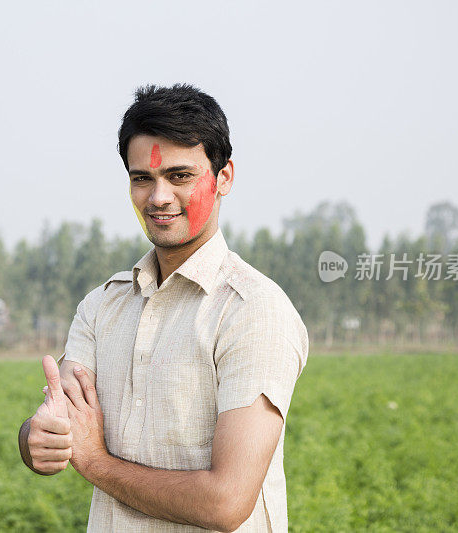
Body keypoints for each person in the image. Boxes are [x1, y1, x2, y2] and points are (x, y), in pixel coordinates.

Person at [18, 83, 309, 532]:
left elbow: (226, 503)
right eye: (142, 178)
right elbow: (60, 421)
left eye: (180, 176)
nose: (158, 197)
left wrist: (95, 463)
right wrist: (37, 440)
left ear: (224, 177)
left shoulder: (252, 311)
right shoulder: (103, 306)